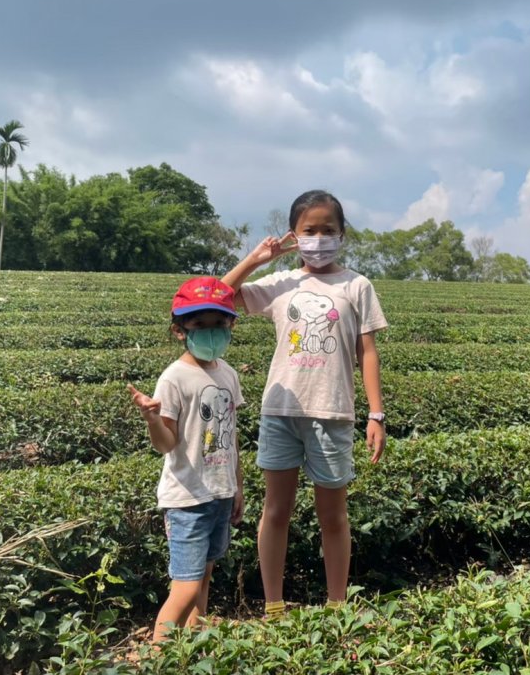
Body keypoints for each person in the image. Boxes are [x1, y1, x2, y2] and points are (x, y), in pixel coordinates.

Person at [221, 189, 387, 619]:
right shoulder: (280, 284)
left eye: (327, 230)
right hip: (281, 411)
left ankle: (336, 606)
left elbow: (366, 351)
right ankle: (273, 605)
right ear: (294, 236)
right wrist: (257, 260)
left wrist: (376, 414)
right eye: (309, 230)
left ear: (342, 235)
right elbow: (216, 297)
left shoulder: (356, 285)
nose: (318, 238)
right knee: (276, 511)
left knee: (333, 516)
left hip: (332, 412)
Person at [127, 276, 245, 642]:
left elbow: (231, 436)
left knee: (204, 578)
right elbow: (166, 444)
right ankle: (157, 653)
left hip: (219, 494)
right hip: (188, 499)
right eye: (199, 325)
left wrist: (238, 486)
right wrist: (151, 419)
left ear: (231, 325)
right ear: (179, 330)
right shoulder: (174, 378)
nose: (210, 332)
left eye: (218, 324)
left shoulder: (228, 374)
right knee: (186, 587)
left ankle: (194, 646)